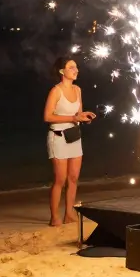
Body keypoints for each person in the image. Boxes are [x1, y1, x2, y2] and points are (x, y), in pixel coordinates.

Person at [44, 57, 97, 226]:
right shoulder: (56, 91)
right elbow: (47, 116)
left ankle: (69, 213)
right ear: (62, 71)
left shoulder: (77, 90)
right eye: (71, 67)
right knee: (60, 179)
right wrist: (73, 117)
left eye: (76, 67)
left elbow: (78, 114)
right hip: (58, 137)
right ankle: (54, 217)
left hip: (74, 137)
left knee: (73, 178)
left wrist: (84, 117)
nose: (76, 70)